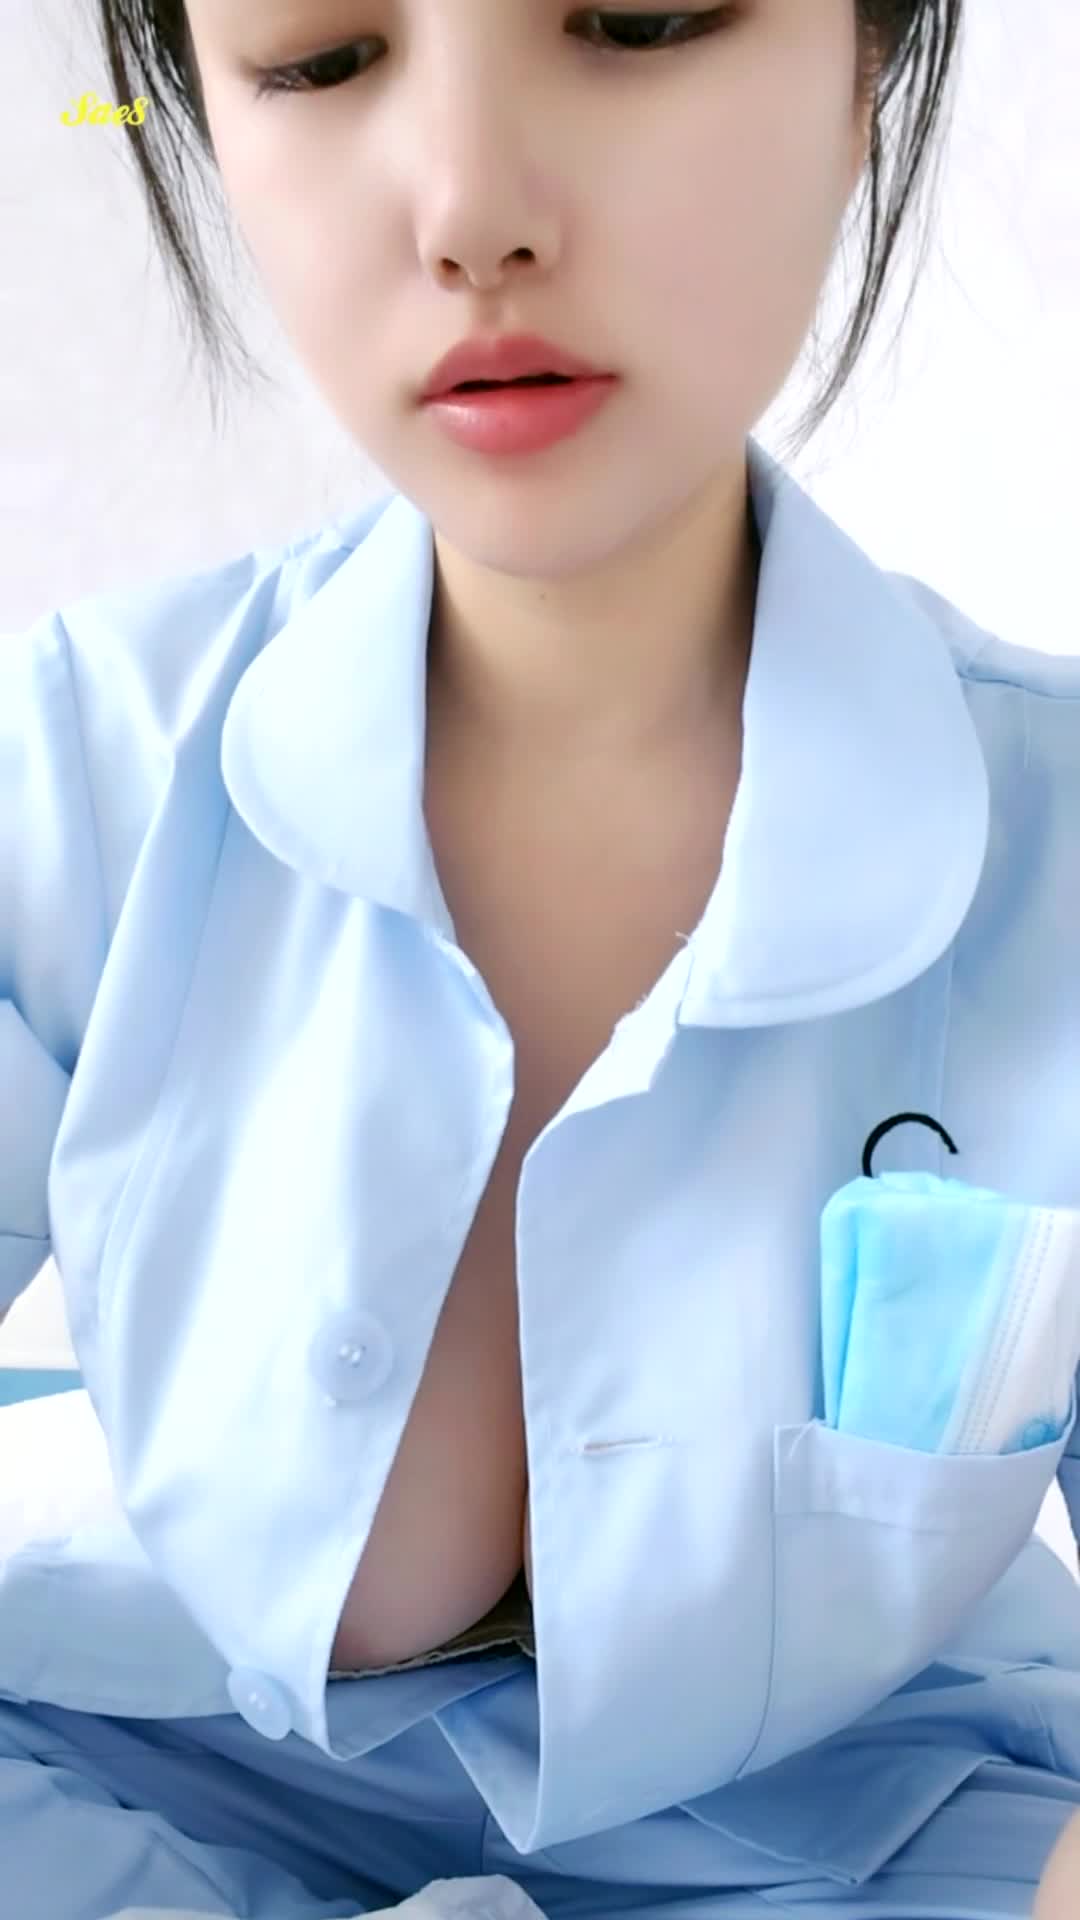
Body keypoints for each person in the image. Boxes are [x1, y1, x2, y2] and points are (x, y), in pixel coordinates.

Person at [2, 1, 1079, 1914]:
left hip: (873, 1840)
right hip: (150, 1768)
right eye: (319, 60)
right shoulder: (83, 765)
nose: (470, 213)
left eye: (637, 18)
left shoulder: (1054, 838)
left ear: (869, 62)